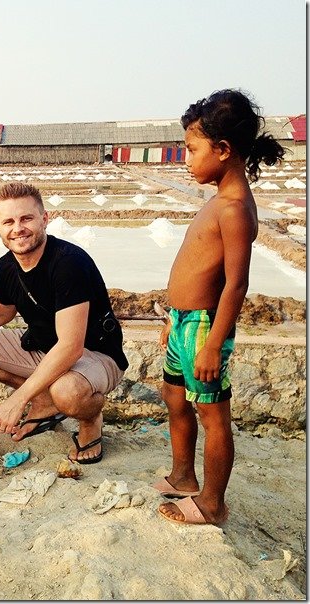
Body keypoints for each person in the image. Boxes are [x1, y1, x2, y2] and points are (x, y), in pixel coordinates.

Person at [156, 89, 285, 526]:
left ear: (224, 150)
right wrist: (172, 318)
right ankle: (183, 474)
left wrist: (212, 344)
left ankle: (213, 503)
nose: (186, 160)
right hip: (182, 324)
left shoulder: (233, 210)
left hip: (203, 328)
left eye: (192, 150)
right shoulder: (217, 199)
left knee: (213, 415)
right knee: (174, 396)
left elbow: (236, 284)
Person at [0, 182, 128, 464]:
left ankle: (90, 420)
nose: (18, 228)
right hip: (43, 347)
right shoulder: (6, 265)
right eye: (8, 222)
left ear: (44, 219)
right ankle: (45, 402)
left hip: (95, 355)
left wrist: (17, 400)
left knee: (68, 392)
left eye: (26, 218)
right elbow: (1, 313)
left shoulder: (68, 263)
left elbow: (71, 348)